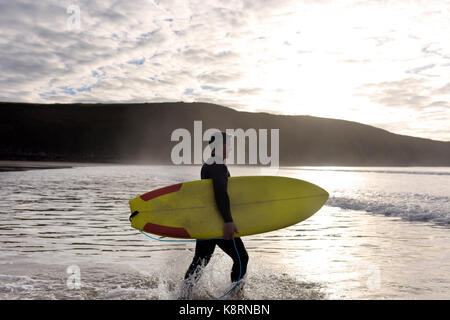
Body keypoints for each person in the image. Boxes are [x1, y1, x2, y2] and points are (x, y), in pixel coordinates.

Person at [179, 132, 249, 299]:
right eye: (228, 145)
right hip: (217, 222)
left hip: (207, 222)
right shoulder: (218, 164)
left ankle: (183, 296)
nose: (231, 148)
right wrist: (228, 221)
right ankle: (236, 298)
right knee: (242, 258)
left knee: (199, 262)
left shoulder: (209, 164)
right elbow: (220, 193)